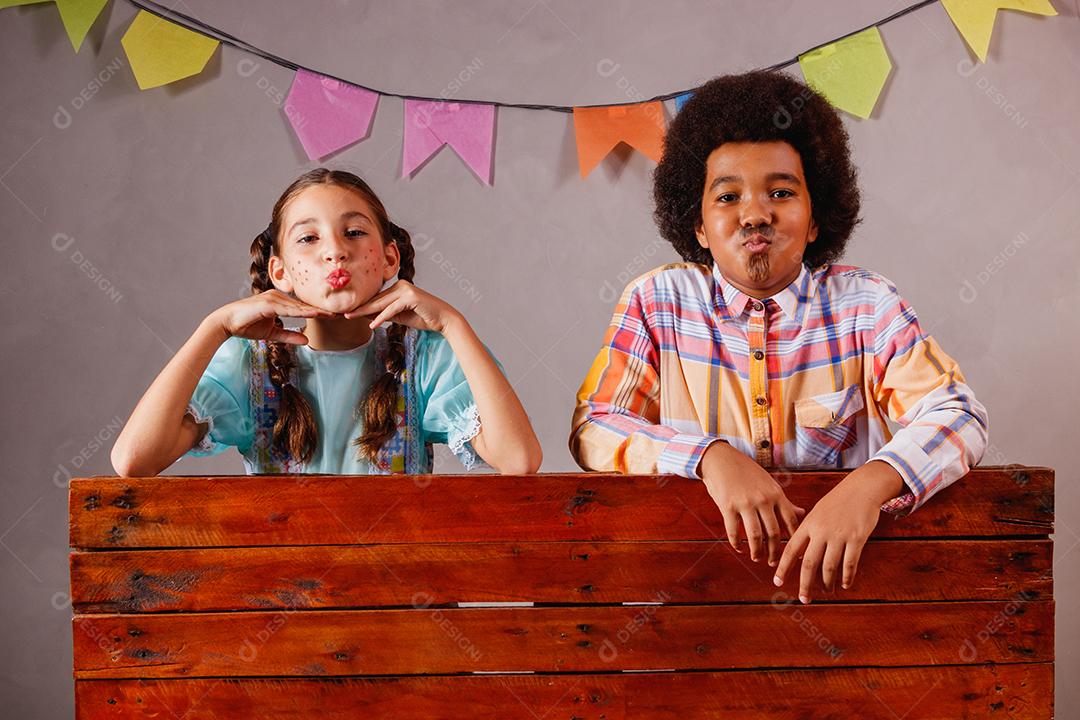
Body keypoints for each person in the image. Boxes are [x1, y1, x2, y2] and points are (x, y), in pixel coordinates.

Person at [570, 70, 987, 604]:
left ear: (815, 219)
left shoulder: (866, 305)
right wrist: (709, 457)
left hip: (847, 599)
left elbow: (959, 413)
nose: (755, 214)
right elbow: (593, 428)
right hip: (693, 601)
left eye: (782, 192)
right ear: (697, 225)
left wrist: (867, 486)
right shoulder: (657, 302)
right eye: (726, 197)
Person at [112, 168, 541, 477]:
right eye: (308, 238)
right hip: (281, 593)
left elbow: (519, 460)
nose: (335, 252)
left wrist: (452, 324)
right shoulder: (250, 365)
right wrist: (214, 328)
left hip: (394, 594)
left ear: (389, 257)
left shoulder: (425, 358)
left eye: (354, 232)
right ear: (279, 271)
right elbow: (134, 460)